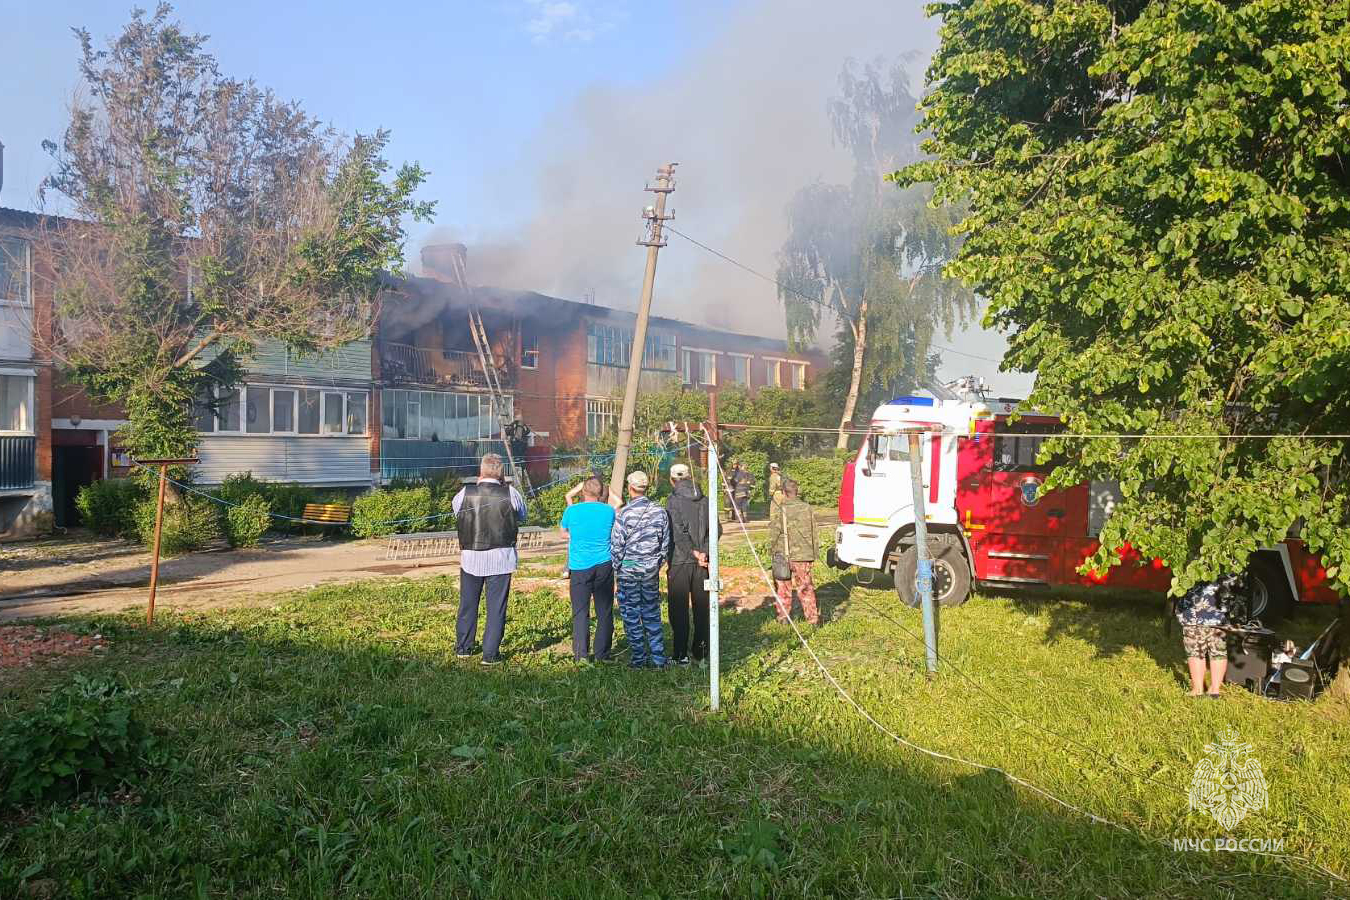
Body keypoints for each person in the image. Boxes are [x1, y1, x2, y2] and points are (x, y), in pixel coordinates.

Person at [452, 453, 527, 665]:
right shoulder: (510, 493)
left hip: (471, 557)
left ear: (481, 470)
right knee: (496, 607)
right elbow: (522, 515)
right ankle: (490, 654)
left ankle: (464, 648)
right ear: (501, 472)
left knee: (468, 604)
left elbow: (457, 512)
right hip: (501, 558)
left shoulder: (464, 493)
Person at [610, 470, 670, 669]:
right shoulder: (660, 511)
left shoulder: (624, 513)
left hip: (629, 569)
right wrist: (655, 564)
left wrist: (617, 568)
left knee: (631, 614)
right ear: (646, 488)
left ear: (630, 488)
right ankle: (659, 658)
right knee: (652, 612)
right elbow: (665, 545)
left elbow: (617, 546)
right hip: (650, 570)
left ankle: (638, 658)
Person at [559, 476, 617, 662]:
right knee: (605, 611)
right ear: (601, 493)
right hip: (604, 564)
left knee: (580, 611)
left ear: (583, 492)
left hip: (579, 566)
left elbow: (563, 533)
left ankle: (581, 655)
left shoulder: (572, 511)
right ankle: (602, 654)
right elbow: (617, 504)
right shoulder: (609, 511)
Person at [664, 463, 709, 666]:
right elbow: (716, 529)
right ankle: (700, 653)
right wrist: (704, 552)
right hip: (703, 563)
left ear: (672, 480)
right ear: (689, 477)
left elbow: (677, 531)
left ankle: (680, 654)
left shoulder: (672, 501)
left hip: (680, 560)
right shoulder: (705, 499)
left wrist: (693, 551)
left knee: (679, 609)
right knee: (702, 607)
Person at [1175, 574, 1241, 697]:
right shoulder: (1228, 557)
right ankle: (1215, 690)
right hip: (1219, 611)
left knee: (1195, 650)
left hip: (1194, 612)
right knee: (1218, 650)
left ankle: (1198, 689)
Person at [767, 479, 820, 626]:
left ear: (783, 493)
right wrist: (814, 554)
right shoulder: (807, 508)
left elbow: (774, 533)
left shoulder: (780, 508)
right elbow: (814, 532)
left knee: (783, 588)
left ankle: (783, 618)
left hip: (784, 555)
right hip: (804, 556)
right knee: (806, 588)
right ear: (797, 492)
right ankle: (812, 620)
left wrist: (771, 552)